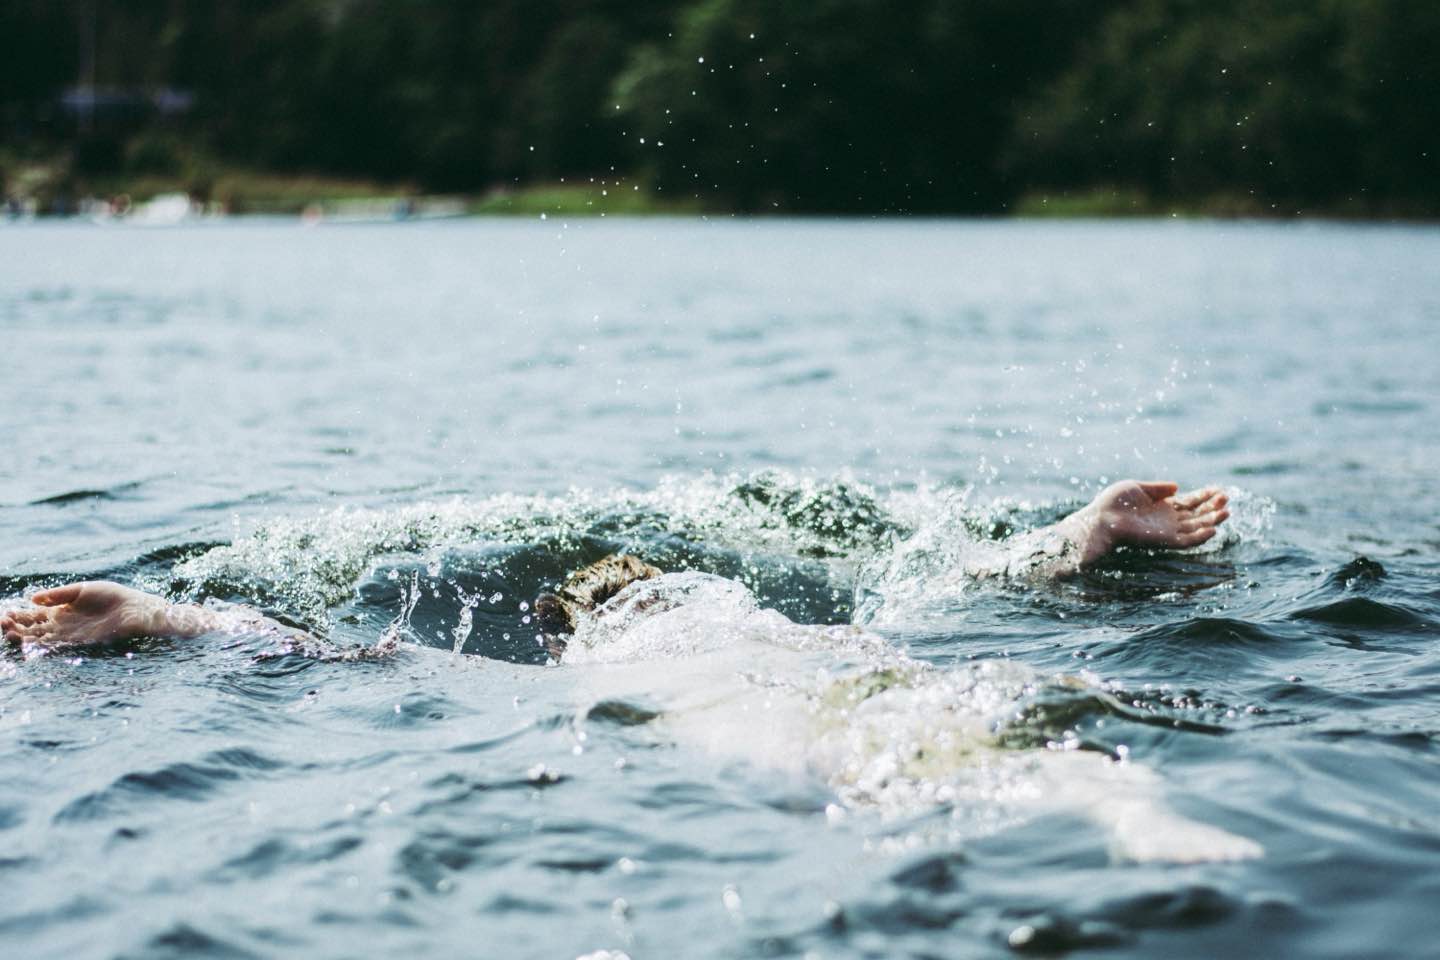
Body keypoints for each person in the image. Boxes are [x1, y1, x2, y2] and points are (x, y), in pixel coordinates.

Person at [1, 480, 1228, 652]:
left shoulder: (586, 671)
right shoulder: (772, 612)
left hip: (742, 697)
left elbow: (336, 658)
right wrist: (1079, 535)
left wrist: (158, 616)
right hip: (843, 656)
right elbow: (954, 589)